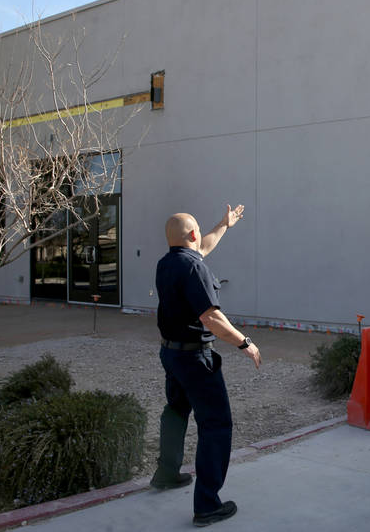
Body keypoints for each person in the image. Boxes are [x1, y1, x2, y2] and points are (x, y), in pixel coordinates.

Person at [151, 203, 261, 528]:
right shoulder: (193, 268)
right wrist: (245, 342)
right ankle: (207, 505)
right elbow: (211, 317)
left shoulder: (167, 263)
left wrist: (224, 224)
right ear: (193, 235)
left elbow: (204, 246)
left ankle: (166, 474)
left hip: (170, 354)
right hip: (195, 358)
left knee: (175, 411)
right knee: (216, 425)